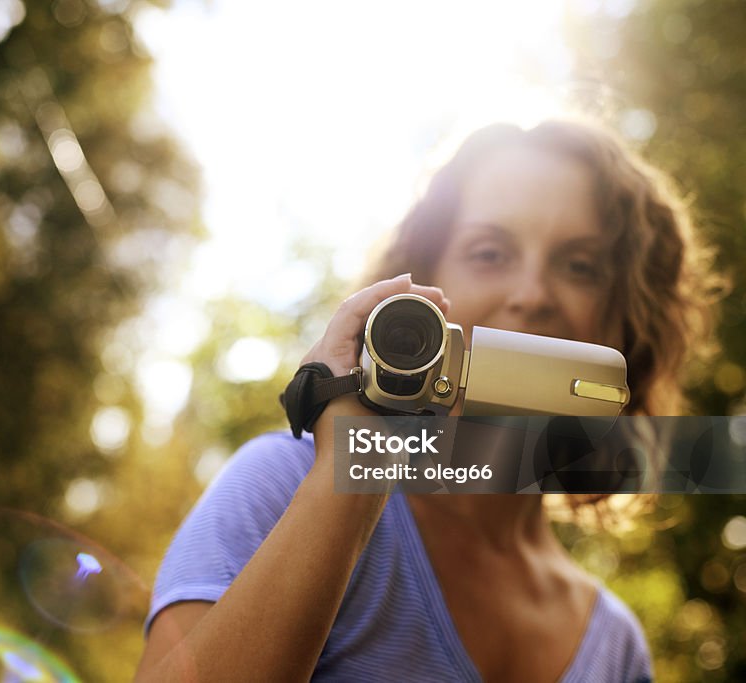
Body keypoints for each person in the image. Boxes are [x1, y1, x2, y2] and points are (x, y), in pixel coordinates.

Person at [135, 119, 716, 682]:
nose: (533, 294)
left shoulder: (615, 651)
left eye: (580, 266)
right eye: (490, 252)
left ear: (627, 322)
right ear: (418, 293)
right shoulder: (282, 488)